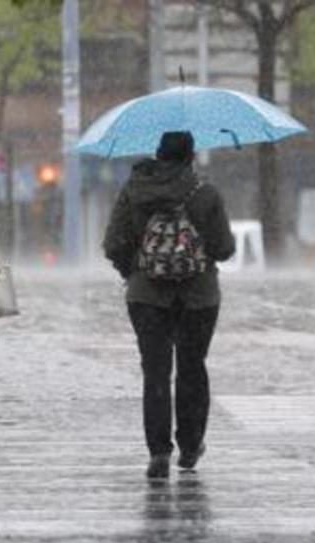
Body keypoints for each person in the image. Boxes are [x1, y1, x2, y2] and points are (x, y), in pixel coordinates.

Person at [102, 131, 235, 479]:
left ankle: (159, 452)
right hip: (199, 296)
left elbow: (113, 242)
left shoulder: (134, 190)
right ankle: (190, 445)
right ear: (191, 156)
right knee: (192, 368)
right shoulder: (205, 193)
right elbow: (224, 248)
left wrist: (134, 271)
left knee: (156, 373)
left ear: (157, 154)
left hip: (147, 296)